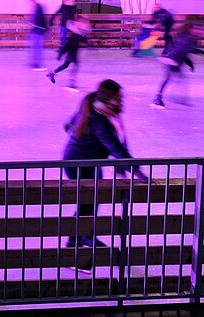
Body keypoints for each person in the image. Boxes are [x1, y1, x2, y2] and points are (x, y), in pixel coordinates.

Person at [61, 80, 144, 249]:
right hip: (78, 163)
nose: (121, 101)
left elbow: (69, 124)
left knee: (93, 200)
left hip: (93, 161)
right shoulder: (100, 120)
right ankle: (74, 242)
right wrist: (137, 172)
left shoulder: (101, 108)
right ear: (107, 98)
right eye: (118, 98)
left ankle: (84, 235)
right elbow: (115, 147)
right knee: (87, 202)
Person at [152, 22, 204, 109]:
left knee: (171, 78)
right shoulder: (188, 38)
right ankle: (159, 98)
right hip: (172, 59)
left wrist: (190, 64)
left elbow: (183, 51)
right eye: (194, 29)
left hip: (168, 58)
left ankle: (160, 97)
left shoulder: (180, 36)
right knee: (174, 78)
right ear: (190, 29)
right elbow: (188, 50)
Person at [46, 18, 90, 90]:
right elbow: (68, 44)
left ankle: (52, 73)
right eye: (81, 23)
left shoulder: (78, 32)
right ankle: (72, 83)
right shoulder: (75, 34)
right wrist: (61, 53)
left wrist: (84, 33)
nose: (83, 25)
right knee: (76, 66)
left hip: (72, 52)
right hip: (72, 53)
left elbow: (84, 41)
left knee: (65, 65)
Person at [27, 0, 48, 69]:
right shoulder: (35, 8)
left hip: (39, 30)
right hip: (36, 30)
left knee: (37, 47)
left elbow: (40, 19)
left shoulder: (38, 8)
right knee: (34, 47)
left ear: (33, 1)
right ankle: (35, 62)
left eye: (30, 2)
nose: (30, 3)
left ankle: (37, 62)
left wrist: (35, 25)